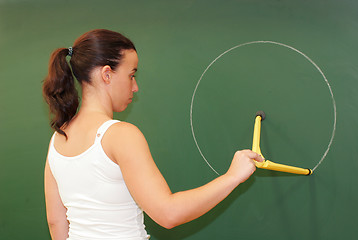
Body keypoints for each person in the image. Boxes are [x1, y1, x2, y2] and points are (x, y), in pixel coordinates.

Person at [43, 29, 264, 240]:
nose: (135, 86)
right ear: (107, 74)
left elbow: (56, 222)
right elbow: (168, 213)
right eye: (131, 76)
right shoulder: (120, 135)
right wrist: (232, 177)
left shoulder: (58, 139)